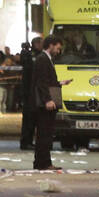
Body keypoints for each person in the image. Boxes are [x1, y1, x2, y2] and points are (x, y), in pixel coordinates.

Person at [31, 35, 69, 170]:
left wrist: (59, 83)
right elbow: (41, 82)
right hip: (44, 103)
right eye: (58, 48)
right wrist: (48, 100)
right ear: (51, 45)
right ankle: (43, 163)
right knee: (44, 133)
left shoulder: (47, 59)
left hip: (45, 101)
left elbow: (46, 81)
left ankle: (43, 162)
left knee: (46, 133)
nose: (58, 51)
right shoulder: (43, 59)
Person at [19, 36, 42, 150]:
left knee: (33, 119)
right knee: (28, 118)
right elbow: (23, 62)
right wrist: (24, 50)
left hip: (34, 92)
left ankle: (29, 140)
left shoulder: (39, 55)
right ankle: (25, 141)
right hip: (28, 92)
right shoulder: (29, 55)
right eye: (39, 43)